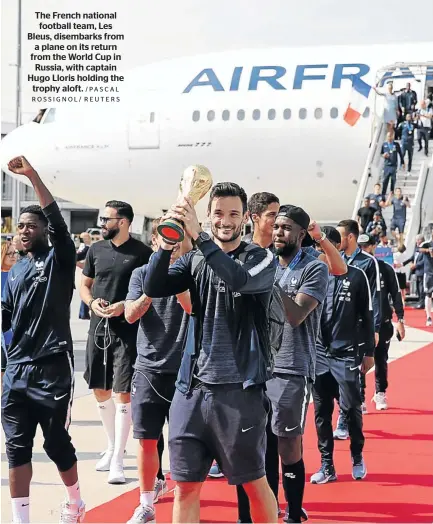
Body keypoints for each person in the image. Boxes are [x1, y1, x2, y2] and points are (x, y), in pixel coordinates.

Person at [143, 182, 278, 523]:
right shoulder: (194, 259)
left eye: (233, 213)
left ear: (245, 217)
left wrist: (200, 237)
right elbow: (152, 286)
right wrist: (168, 240)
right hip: (191, 390)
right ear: (208, 215)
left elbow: (239, 281)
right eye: (218, 213)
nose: (225, 220)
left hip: (240, 391)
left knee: (252, 482)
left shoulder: (261, 258)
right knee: (185, 486)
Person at [1, 156, 85, 523]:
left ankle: (76, 502)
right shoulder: (16, 269)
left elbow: (56, 220)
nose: (22, 230)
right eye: (19, 226)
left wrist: (32, 175)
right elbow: (5, 315)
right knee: (16, 448)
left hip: (52, 367)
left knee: (55, 444)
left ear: (45, 231)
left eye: (30, 225)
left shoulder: (59, 259)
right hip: (16, 371)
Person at [125, 218, 193, 523]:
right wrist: (154, 283)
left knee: (185, 441)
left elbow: (193, 308)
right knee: (146, 440)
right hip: (148, 368)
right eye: (166, 242)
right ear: (156, 243)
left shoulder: (192, 273)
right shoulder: (140, 274)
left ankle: (186, 498)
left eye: (177, 242)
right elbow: (129, 315)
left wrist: (175, 280)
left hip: (187, 370)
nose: (172, 247)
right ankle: (147, 503)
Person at [80, 201, 152, 484]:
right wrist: (91, 302)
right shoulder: (95, 250)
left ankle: (119, 460)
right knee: (100, 390)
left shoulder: (142, 254)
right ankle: (112, 446)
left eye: (106, 219)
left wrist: (125, 304)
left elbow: (149, 293)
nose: (101, 223)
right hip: (98, 330)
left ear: (123, 222)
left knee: (123, 393)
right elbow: (84, 284)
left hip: (128, 332)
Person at [267, 205, 329, 523]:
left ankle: (293, 512)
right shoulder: (265, 262)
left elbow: (295, 315)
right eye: (276, 226)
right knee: (259, 443)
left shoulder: (314, 268)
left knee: (287, 444)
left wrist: (266, 281)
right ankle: (265, 509)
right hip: (258, 367)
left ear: (302, 234)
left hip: (292, 367)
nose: (279, 232)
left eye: (287, 227)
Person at [310, 226, 374, 484]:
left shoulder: (356, 277)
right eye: (316, 248)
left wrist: (369, 352)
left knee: (351, 409)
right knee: (321, 413)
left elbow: (367, 316)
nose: (319, 253)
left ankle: (357, 456)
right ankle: (327, 466)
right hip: (318, 356)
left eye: (323, 247)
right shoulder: (310, 276)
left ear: (335, 247)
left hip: (346, 354)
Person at [335, 219, 381, 429]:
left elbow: (374, 298)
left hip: (358, 328)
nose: (336, 240)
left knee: (352, 376)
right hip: (336, 327)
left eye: (340, 236)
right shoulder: (334, 260)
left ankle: (346, 418)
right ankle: (349, 410)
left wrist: (375, 329)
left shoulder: (368, 263)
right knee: (333, 380)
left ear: (350, 237)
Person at [357, 234, 405, 410]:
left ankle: (380, 393)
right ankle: (360, 396)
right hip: (361, 324)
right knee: (359, 360)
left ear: (373, 246)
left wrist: (400, 319)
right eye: (361, 246)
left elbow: (396, 293)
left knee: (381, 359)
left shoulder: (385, 269)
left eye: (367, 246)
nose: (364, 250)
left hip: (383, 322)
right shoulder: (354, 267)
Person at [380, 131, 405, 198]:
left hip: (394, 165)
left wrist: (402, 162)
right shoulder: (384, 144)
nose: (389, 138)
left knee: (393, 180)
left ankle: (392, 193)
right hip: (387, 165)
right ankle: (383, 195)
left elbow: (400, 154)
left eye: (391, 136)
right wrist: (383, 155)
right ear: (387, 137)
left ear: (393, 137)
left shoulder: (396, 144)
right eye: (388, 136)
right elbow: (381, 153)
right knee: (385, 180)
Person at [76, 233, 92, 320]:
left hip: (82, 273)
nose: (89, 239)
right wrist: (82, 265)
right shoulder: (86, 248)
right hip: (85, 273)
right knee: (87, 291)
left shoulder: (82, 247)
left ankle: (83, 313)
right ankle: (84, 313)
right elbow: (77, 259)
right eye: (87, 237)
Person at [418, 238, 433, 327]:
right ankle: (428, 316)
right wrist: (427, 250)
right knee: (428, 294)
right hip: (429, 273)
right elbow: (418, 249)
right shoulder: (426, 243)